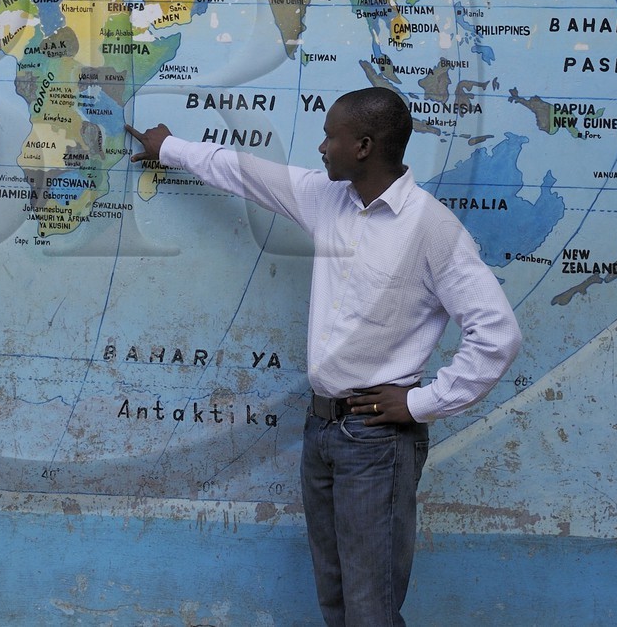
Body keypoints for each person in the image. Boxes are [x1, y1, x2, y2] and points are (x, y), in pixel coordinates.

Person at [125, 86, 521, 627]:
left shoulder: (431, 228)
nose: (321, 147)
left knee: (370, 609)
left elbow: (497, 333)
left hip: (377, 441)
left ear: (362, 146)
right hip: (323, 431)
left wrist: (423, 402)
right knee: (336, 600)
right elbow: (244, 172)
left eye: (330, 137)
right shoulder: (326, 198)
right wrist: (168, 147)